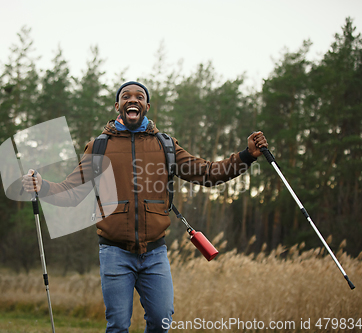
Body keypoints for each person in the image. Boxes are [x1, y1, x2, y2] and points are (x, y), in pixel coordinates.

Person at [22, 81, 268, 333]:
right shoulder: (99, 147)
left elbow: (207, 173)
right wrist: (42, 186)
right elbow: (71, 192)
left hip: (155, 255)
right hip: (114, 253)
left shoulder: (165, 145)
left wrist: (246, 156)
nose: (133, 99)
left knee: (161, 321)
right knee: (117, 325)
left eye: (139, 96)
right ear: (117, 106)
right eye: (125, 96)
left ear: (146, 106)